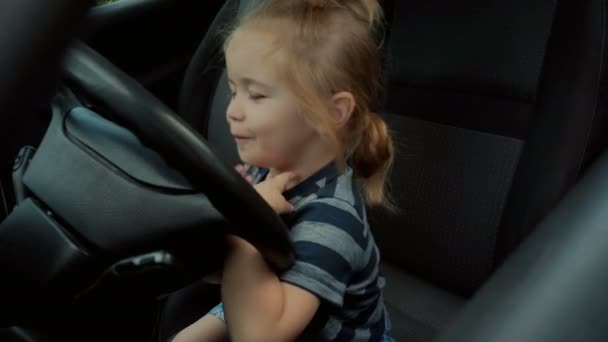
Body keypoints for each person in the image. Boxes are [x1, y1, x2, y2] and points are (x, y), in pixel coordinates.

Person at [173, 0, 395, 340]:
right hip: (266, 292)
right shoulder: (261, 171)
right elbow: (216, 270)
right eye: (233, 91)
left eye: (257, 95)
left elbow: (261, 336)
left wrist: (245, 222)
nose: (232, 110)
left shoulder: (334, 220)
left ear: (331, 112)